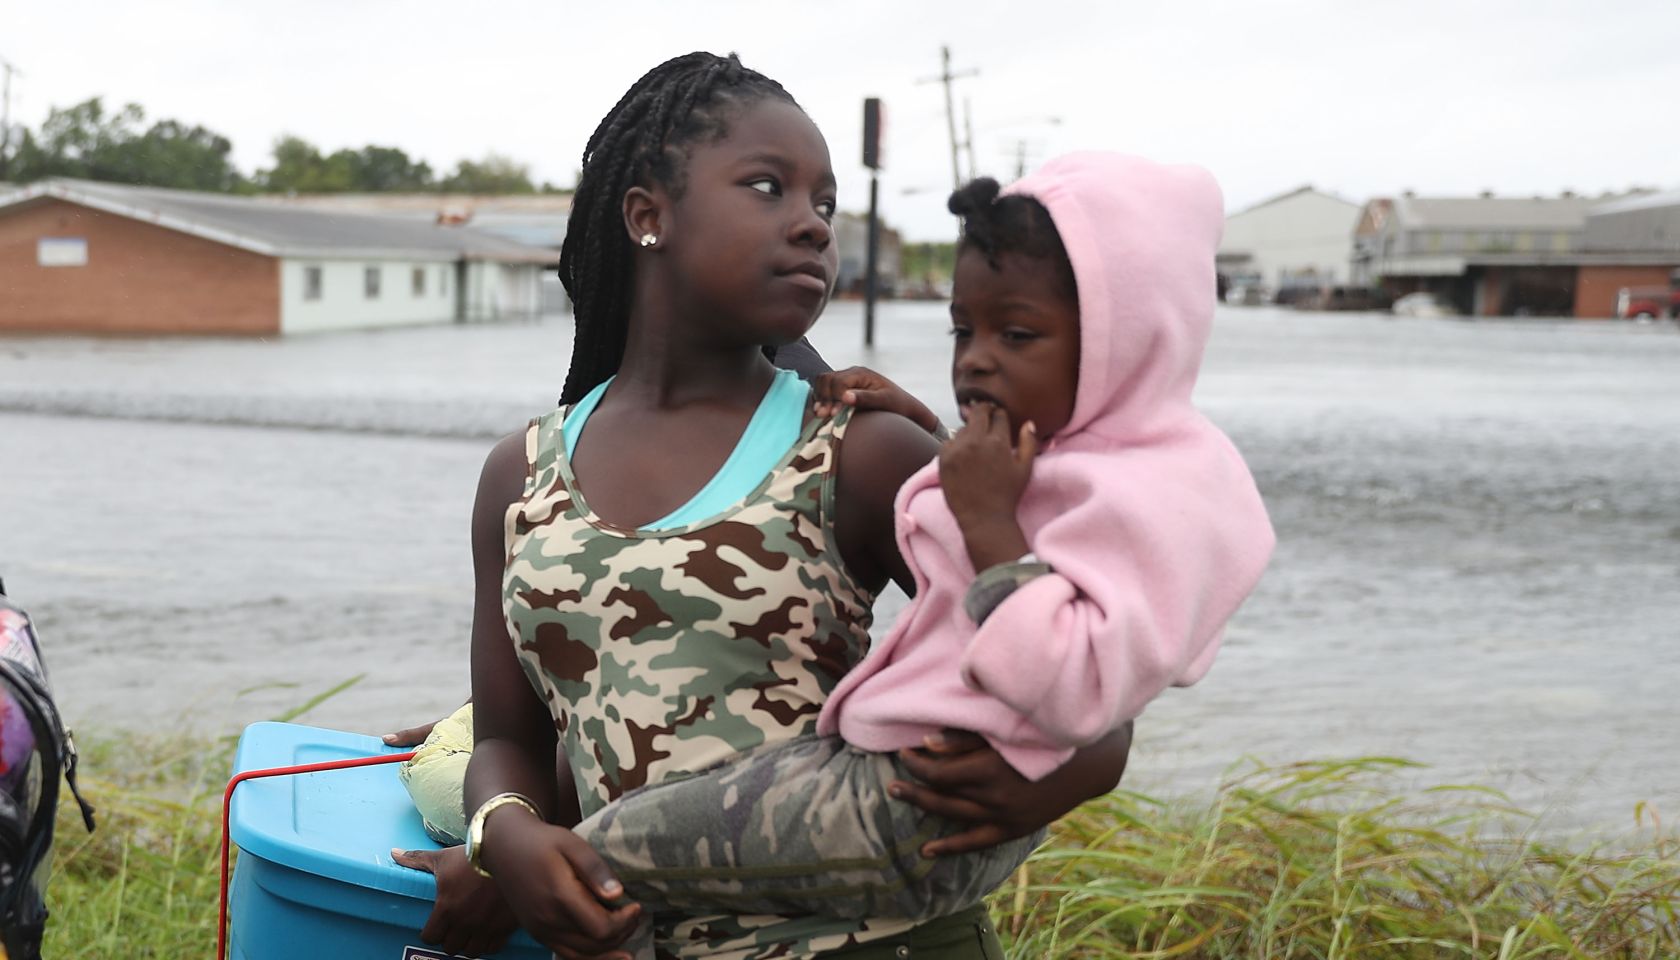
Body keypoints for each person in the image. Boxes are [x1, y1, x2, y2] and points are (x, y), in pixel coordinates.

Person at [405, 53, 1134, 960]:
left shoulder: (860, 452)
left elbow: (1077, 671)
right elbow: (511, 737)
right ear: (646, 215)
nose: (813, 228)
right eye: (767, 187)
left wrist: (1073, 772)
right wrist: (503, 835)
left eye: (824, 204)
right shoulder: (522, 477)